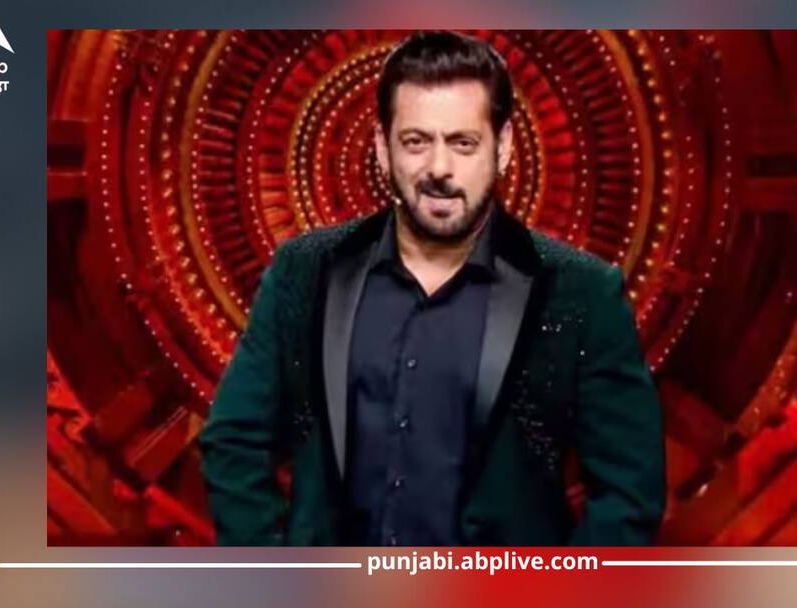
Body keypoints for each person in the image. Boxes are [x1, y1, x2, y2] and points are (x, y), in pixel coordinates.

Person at [199, 30, 664, 546]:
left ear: (503, 148)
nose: (439, 169)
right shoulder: (305, 271)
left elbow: (630, 493)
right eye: (416, 142)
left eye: (463, 143)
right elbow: (234, 440)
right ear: (383, 149)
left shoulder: (581, 292)